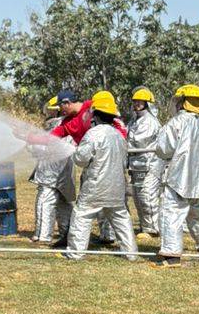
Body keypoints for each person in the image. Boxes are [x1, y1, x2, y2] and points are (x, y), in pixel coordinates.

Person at [153, 84, 199, 260]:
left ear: (183, 102)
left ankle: (171, 255)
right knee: (198, 215)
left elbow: (163, 149)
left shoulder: (178, 122)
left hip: (180, 177)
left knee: (172, 213)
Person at [64, 91, 138, 261]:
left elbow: (81, 160)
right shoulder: (119, 136)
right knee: (120, 217)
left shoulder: (93, 134)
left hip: (95, 187)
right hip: (117, 188)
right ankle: (131, 253)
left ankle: (75, 253)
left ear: (95, 114)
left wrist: (75, 153)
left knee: (81, 215)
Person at [32, 96, 73, 244]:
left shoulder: (55, 127)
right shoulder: (68, 125)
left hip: (51, 172)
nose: (47, 113)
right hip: (64, 173)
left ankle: (42, 236)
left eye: (50, 110)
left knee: (45, 201)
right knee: (64, 203)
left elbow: (43, 148)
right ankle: (68, 233)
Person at [125, 87, 161, 236]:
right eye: (135, 101)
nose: (137, 104)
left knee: (147, 196)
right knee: (138, 197)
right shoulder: (134, 120)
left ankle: (152, 229)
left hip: (148, 165)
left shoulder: (150, 121)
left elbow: (139, 141)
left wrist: (123, 143)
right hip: (136, 165)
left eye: (140, 101)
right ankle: (144, 226)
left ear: (147, 103)